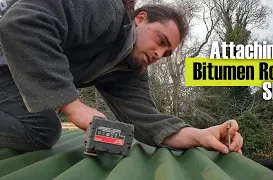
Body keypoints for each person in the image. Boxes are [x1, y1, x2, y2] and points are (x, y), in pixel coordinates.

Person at [0, 0, 243, 154]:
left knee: (42, 131)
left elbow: (149, 124)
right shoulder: (106, 10)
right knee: (44, 130)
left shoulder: (130, 69)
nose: (159, 53)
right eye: (160, 41)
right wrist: (74, 107)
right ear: (140, 18)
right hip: (8, 54)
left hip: (16, 78)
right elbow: (23, 22)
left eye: (166, 53)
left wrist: (200, 135)